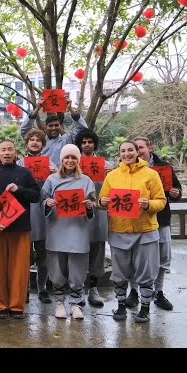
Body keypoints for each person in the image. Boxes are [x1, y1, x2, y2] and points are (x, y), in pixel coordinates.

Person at [98, 140, 167, 323]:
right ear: (119, 154)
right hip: (119, 230)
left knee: (145, 273)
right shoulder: (112, 176)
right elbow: (102, 199)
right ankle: (120, 306)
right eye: (123, 151)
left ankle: (144, 308)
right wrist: (102, 203)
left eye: (130, 150)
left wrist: (148, 204)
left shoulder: (151, 174)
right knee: (120, 272)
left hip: (145, 231)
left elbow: (161, 200)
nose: (127, 154)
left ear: (137, 152)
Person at [0, 139, 41, 319]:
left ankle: (16, 306)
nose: (6, 153)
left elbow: (36, 196)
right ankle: (0, 305)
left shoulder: (24, 173)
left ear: (16, 152)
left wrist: (20, 189)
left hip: (20, 229)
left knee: (20, 269)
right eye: (3, 150)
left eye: (10, 149)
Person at [126, 136, 182, 311]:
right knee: (136, 258)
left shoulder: (164, 168)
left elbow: (177, 191)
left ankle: (158, 292)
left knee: (162, 258)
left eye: (141, 147)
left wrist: (175, 193)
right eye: (135, 148)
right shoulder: (126, 169)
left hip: (161, 219)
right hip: (137, 221)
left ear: (150, 148)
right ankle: (134, 291)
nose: (138, 151)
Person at [42, 144, 96, 319]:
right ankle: (59, 302)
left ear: (78, 160)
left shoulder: (86, 181)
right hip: (57, 228)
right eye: (67, 157)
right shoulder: (51, 179)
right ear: (62, 160)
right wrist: (47, 203)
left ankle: (75, 303)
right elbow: (42, 200)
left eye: (74, 158)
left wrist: (89, 206)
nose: (70, 161)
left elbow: (93, 206)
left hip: (78, 229)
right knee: (57, 268)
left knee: (78, 268)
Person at [17, 128, 57, 304]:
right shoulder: (18, 163)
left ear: (43, 143)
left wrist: (56, 173)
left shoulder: (51, 165)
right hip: (24, 213)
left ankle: (42, 289)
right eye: (31, 139)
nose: (34, 142)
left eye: (38, 140)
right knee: (24, 255)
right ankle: (23, 289)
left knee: (43, 254)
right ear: (26, 143)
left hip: (43, 214)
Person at [74, 128, 112, 308]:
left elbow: (114, 190)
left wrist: (110, 174)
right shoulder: (72, 164)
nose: (87, 145)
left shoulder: (106, 165)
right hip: (78, 214)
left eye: (90, 142)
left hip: (99, 213)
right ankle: (78, 288)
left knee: (97, 249)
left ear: (95, 144)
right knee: (79, 250)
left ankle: (94, 289)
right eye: (83, 142)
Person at [20, 94, 88, 166]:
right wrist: (37, 109)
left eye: (56, 125)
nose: (53, 128)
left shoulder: (66, 140)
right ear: (46, 127)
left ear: (60, 126)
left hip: (60, 176)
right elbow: (24, 130)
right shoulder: (38, 140)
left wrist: (71, 109)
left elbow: (83, 130)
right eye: (50, 126)